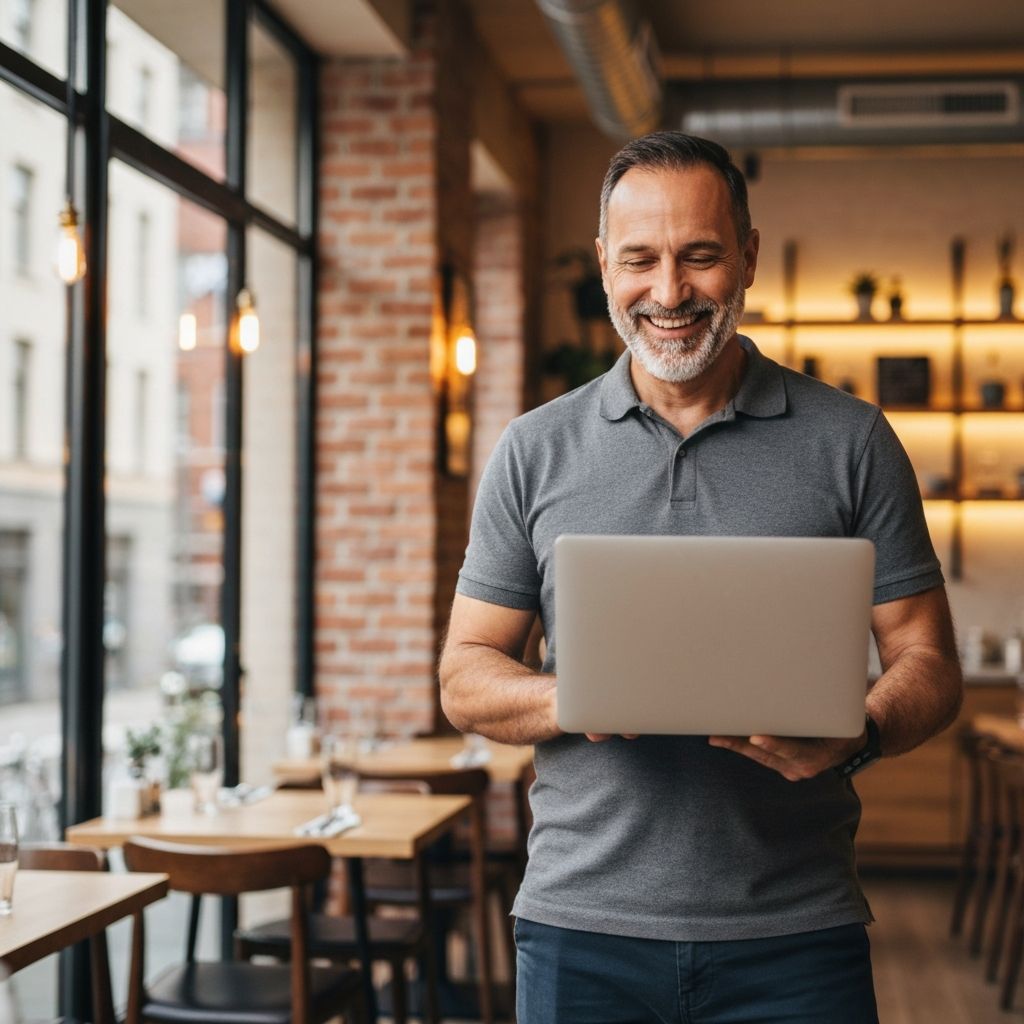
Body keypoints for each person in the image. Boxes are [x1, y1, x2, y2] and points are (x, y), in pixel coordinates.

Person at [439, 131, 963, 1023]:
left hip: (796, 935)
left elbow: (928, 659)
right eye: (639, 259)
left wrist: (862, 730)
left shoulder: (852, 441)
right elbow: (465, 675)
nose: (669, 292)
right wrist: (577, 698)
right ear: (606, 266)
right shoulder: (534, 450)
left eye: (701, 256)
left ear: (748, 258)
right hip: (581, 930)